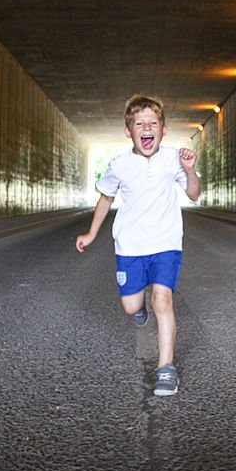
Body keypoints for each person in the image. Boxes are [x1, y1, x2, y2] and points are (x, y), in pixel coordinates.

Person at [75, 95, 201, 396]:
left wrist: (190, 169)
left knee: (163, 301)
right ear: (128, 131)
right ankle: (139, 306)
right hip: (130, 246)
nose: (147, 128)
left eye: (153, 123)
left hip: (166, 243)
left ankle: (166, 368)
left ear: (164, 129)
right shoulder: (119, 165)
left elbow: (194, 194)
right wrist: (92, 234)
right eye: (140, 123)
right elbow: (105, 198)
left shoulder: (173, 159)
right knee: (132, 305)